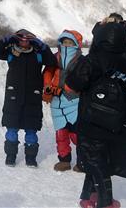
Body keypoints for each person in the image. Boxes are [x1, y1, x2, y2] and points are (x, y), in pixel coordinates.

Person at [67, 21, 126, 208]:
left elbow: (73, 83)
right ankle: (88, 195)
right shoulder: (125, 62)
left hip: (92, 120)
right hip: (116, 122)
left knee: (95, 161)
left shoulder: (92, 60)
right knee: (102, 158)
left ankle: (105, 202)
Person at [0, 29, 56, 167]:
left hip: (33, 97)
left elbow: (51, 60)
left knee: (31, 129)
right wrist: (6, 40)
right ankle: (10, 156)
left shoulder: (38, 53)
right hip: (13, 96)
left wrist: (42, 45)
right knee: (12, 128)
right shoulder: (10, 52)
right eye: (21, 38)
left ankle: (31, 158)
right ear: (16, 39)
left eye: (28, 39)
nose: (24, 41)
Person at [43, 30, 84, 172]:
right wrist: (47, 88)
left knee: (77, 135)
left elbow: (84, 78)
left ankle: (82, 161)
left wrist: (71, 88)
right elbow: (48, 72)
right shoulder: (55, 58)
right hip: (56, 102)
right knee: (61, 134)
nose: (66, 45)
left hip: (75, 102)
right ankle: (64, 160)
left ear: (76, 44)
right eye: (64, 42)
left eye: (70, 42)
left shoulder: (81, 60)